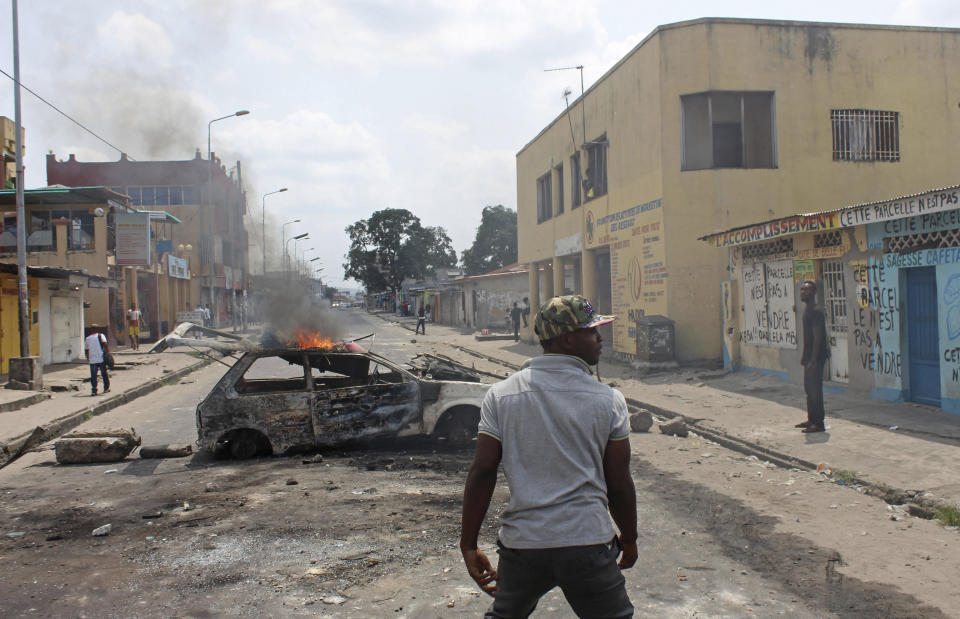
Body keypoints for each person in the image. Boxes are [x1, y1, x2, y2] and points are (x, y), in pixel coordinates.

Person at [460, 295, 637, 617]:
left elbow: (483, 469)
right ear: (568, 339)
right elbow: (619, 482)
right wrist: (630, 536)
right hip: (587, 542)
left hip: (523, 546)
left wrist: (468, 544)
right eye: (592, 331)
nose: (600, 339)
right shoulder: (609, 400)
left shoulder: (501, 396)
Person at [797, 280, 829, 433]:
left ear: (814, 292)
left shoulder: (816, 311)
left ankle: (818, 423)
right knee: (809, 390)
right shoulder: (807, 310)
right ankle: (811, 419)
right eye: (802, 289)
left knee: (815, 391)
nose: (803, 292)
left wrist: (814, 360)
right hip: (809, 356)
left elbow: (818, 338)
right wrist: (805, 356)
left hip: (816, 358)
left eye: (807, 290)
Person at [84, 325, 110, 397]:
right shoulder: (101, 335)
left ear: (91, 330)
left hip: (93, 360)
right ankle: (106, 388)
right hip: (101, 358)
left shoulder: (88, 338)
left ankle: (94, 390)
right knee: (104, 374)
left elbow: (87, 350)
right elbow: (105, 344)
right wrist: (107, 353)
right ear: (98, 329)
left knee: (93, 376)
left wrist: (88, 357)